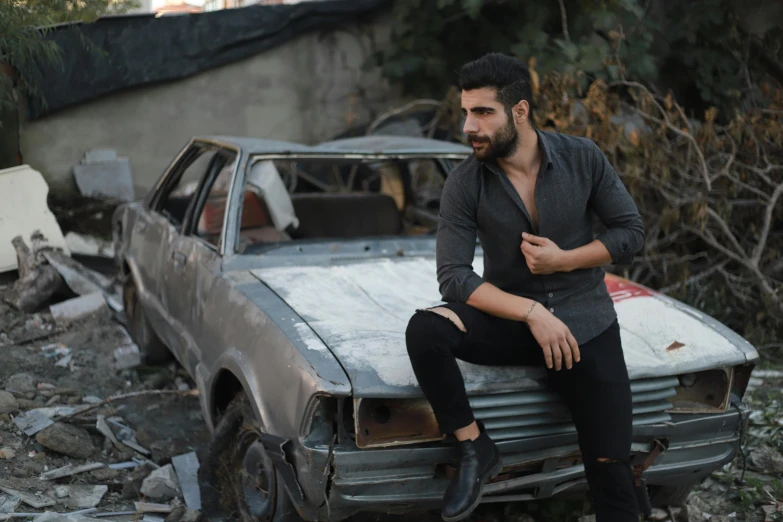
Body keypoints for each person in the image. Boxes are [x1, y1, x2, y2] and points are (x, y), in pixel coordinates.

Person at [405, 53, 645, 522]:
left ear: (519, 111)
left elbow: (630, 231)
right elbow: (453, 274)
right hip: (512, 321)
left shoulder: (582, 157)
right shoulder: (465, 181)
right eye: (465, 112)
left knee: (612, 470)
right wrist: (533, 314)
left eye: (482, 113)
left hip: (585, 325)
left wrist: (563, 259)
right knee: (425, 331)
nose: (468, 126)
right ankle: (475, 448)